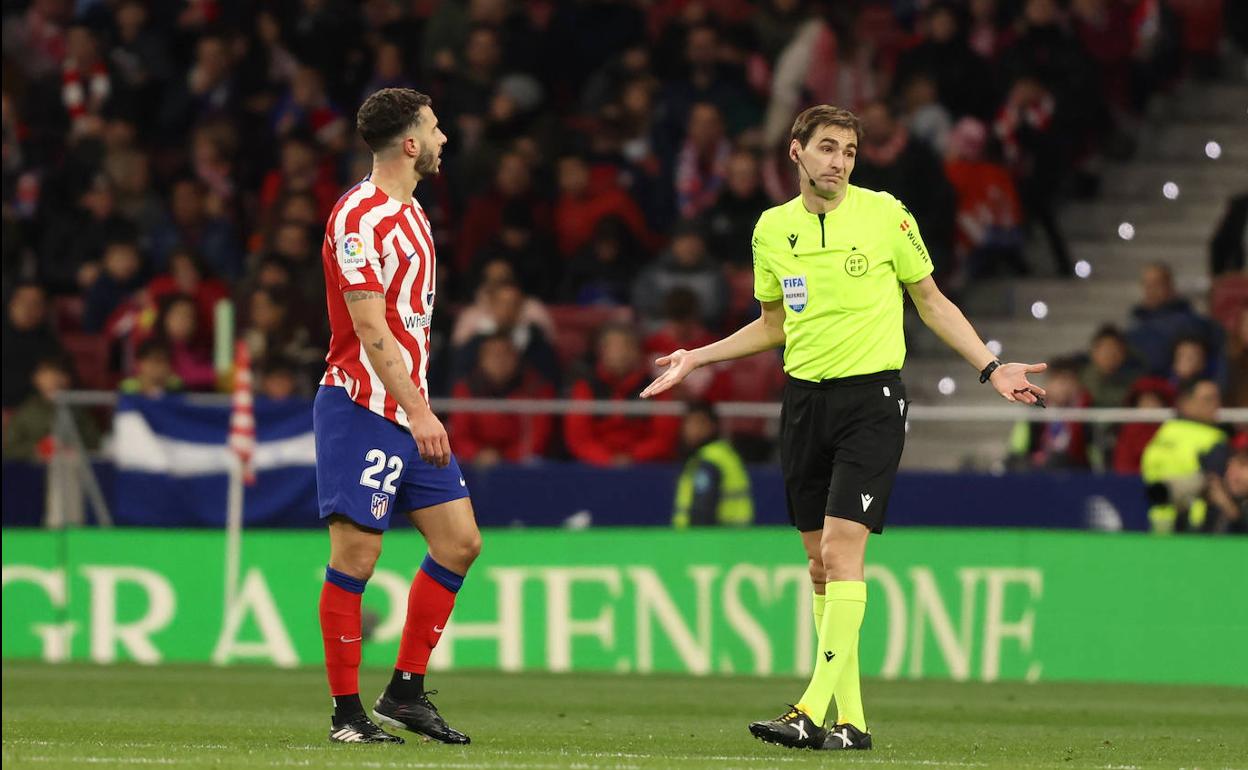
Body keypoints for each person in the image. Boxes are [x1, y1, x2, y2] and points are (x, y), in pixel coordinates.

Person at [641, 105, 1046, 751]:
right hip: (802, 402)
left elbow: (931, 300)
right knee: (818, 565)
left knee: (840, 553)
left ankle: (809, 708)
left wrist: (991, 367)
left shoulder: (887, 214)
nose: (839, 161)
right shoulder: (772, 229)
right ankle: (852, 724)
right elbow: (774, 324)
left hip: (872, 401)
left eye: (850, 151)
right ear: (796, 152)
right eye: (828, 148)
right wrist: (699, 356)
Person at [314, 88, 475, 746]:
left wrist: (417, 409)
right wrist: (420, 412)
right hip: (361, 404)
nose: (442, 139)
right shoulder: (359, 218)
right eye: (434, 129)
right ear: (410, 144)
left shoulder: (414, 217)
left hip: (407, 410)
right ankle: (347, 715)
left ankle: (405, 691)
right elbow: (371, 330)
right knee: (358, 555)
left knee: (460, 543)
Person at [566, 324, 681, 466]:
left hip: (646, 468)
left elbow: (664, 437)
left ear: (637, 351)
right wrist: (607, 460)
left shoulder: (658, 387)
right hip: (595, 468)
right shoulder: (586, 388)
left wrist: (633, 458)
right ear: (601, 351)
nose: (619, 353)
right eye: (612, 347)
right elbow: (579, 439)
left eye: (625, 346)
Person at [448, 332, 555, 466]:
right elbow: (459, 435)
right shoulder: (465, 389)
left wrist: (504, 458)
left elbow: (537, 436)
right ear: (481, 360)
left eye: (506, 354)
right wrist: (477, 454)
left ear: (516, 357)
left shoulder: (535, 389)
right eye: (493, 355)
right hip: (476, 463)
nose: (500, 361)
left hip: (520, 464)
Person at [1140, 379, 1228, 534]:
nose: (1216, 404)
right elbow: (1216, 481)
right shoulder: (1214, 438)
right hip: (1195, 522)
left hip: (1160, 519)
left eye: (1217, 398)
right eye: (1208, 399)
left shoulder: (1165, 430)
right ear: (1187, 402)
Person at [672, 402, 753, 528]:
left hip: (711, 540)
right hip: (733, 538)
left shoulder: (709, 459)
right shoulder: (724, 453)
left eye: (699, 423)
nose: (693, 430)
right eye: (689, 423)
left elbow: (702, 509)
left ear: (712, 426)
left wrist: (695, 542)